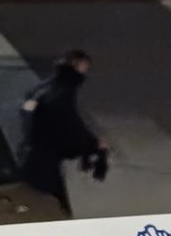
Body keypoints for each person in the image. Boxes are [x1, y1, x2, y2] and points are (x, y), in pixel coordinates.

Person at [20, 50, 108, 217]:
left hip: (34, 156)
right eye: (84, 68)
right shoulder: (61, 93)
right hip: (46, 161)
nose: (85, 74)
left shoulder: (45, 88)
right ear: (76, 67)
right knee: (54, 210)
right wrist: (92, 144)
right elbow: (69, 123)